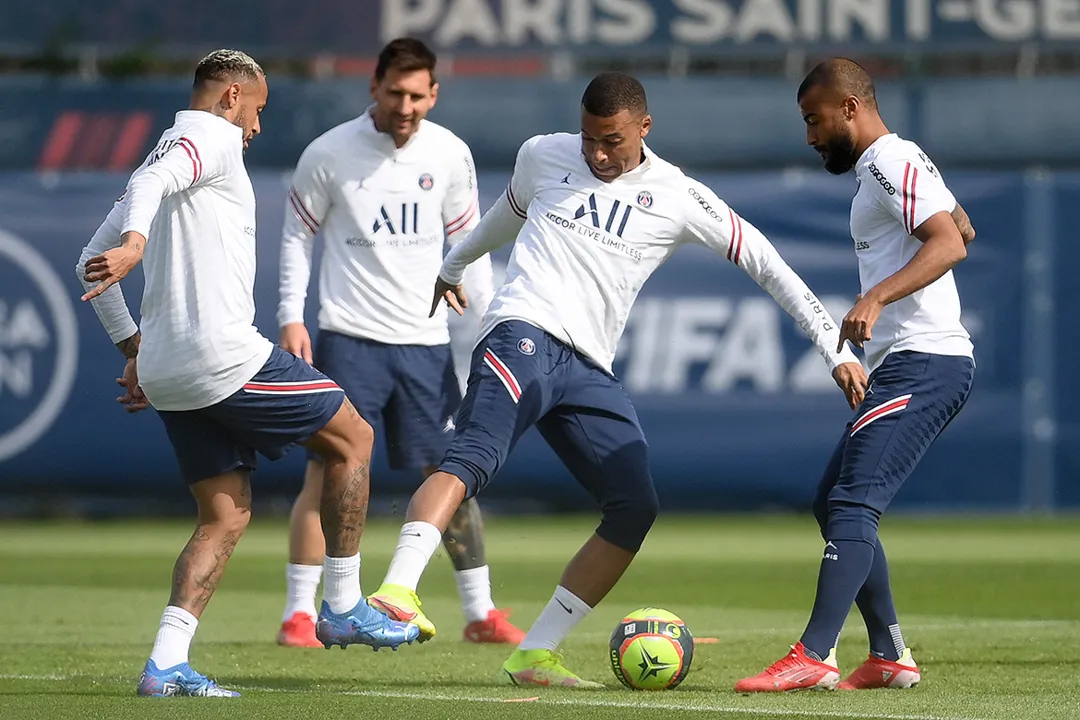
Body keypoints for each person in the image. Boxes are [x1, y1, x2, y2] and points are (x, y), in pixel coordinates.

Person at [363, 71, 867, 688]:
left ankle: (534, 654)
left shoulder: (679, 195)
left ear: (644, 129)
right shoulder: (542, 153)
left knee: (633, 508)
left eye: (611, 140)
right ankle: (396, 592)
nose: (597, 153)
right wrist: (454, 262)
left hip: (587, 369)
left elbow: (768, 264)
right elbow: (507, 214)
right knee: (471, 458)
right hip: (523, 332)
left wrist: (831, 347)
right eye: (588, 139)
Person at [76, 49, 418, 699]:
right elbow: (140, 209)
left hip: (169, 372)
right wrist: (139, 246)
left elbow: (88, 259)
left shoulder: (161, 151)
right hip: (222, 356)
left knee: (224, 515)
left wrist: (132, 351)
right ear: (231, 96)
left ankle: (165, 664)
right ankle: (343, 606)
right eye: (257, 110)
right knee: (355, 438)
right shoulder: (208, 136)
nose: (257, 127)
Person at [735, 57, 976, 693]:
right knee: (833, 497)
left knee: (852, 502)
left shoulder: (888, 160)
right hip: (910, 361)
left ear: (849, 107)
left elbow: (948, 243)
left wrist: (876, 298)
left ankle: (813, 653)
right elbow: (963, 227)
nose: (811, 136)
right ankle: (890, 654)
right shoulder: (896, 160)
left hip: (926, 361)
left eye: (815, 120)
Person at [274, 37, 524, 648]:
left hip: (425, 345)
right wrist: (291, 316)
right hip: (349, 339)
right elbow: (295, 239)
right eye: (396, 93)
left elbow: (474, 240)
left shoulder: (450, 154)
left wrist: (487, 318)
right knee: (327, 471)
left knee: (450, 471)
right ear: (374, 88)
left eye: (418, 95)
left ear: (433, 94)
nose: (406, 106)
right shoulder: (329, 152)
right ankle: (299, 614)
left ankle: (479, 612)